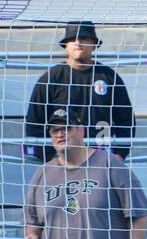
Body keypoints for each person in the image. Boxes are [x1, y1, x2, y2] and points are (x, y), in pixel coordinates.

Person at [21, 108, 147, 239]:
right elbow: (33, 223)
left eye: (66, 128)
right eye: (55, 130)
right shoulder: (41, 175)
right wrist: (31, 237)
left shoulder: (109, 164)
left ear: (81, 130)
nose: (60, 134)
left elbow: (139, 216)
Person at [24, 22, 135, 160]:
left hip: (100, 158)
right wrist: (50, 158)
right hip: (63, 159)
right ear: (66, 45)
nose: (77, 42)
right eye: (72, 38)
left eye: (84, 38)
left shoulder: (109, 77)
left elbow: (126, 120)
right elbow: (34, 122)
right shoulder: (51, 78)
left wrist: (120, 154)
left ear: (94, 44)